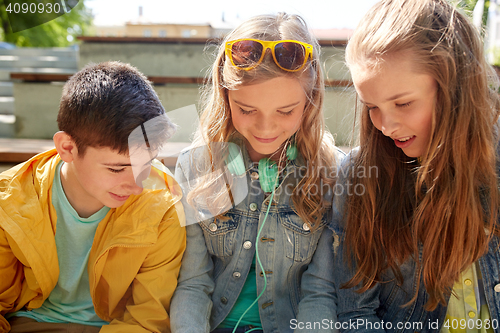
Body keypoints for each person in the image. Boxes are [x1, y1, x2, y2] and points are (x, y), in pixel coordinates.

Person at [331, 0, 500, 332]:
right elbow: (355, 313)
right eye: (371, 107)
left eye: (403, 103)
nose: (385, 125)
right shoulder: (359, 177)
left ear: (456, 86)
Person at [170, 12, 344, 333]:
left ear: (310, 102)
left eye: (286, 111)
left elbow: (319, 294)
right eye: (247, 110)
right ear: (226, 98)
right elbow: (193, 284)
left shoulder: (332, 172)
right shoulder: (194, 165)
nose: (266, 129)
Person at [0, 61, 186, 333]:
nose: (136, 185)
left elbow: (148, 320)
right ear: (67, 148)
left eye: (147, 164)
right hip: (28, 322)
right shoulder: (9, 200)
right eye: (116, 168)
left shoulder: (163, 206)